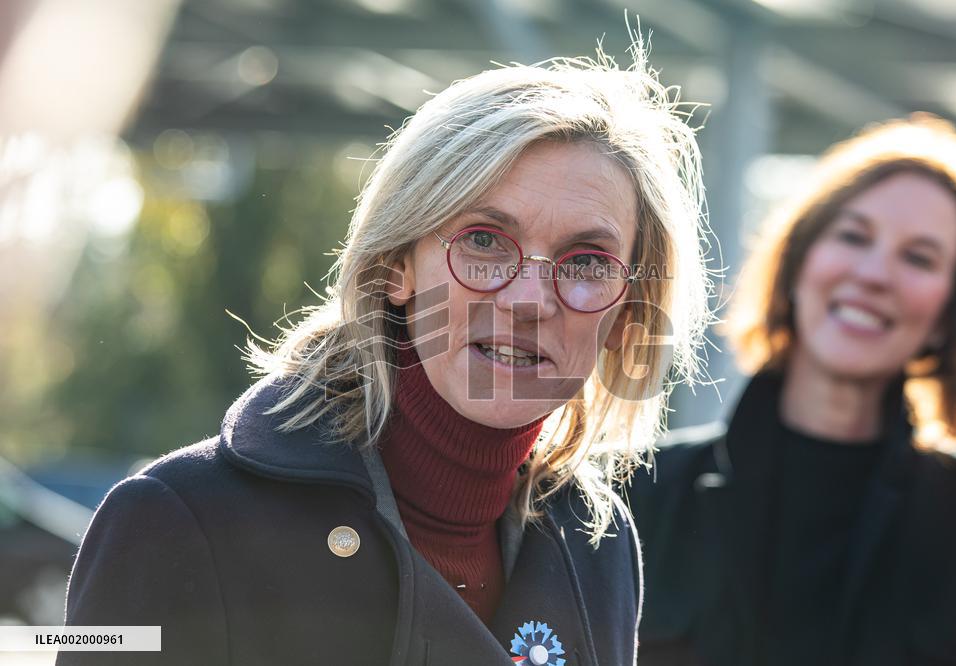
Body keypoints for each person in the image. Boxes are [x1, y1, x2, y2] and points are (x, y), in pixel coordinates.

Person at [58, 41, 713, 666]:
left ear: (627, 304)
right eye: (484, 241)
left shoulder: (596, 543)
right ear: (396, 264)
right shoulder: (175, 519)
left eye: (587, 261)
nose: (530, 299)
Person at [631, 114, 956, 666]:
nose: (876, 274)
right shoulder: (627, 495)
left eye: (919, 258)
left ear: (950, 314)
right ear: (798, 260)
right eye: (853, 236)